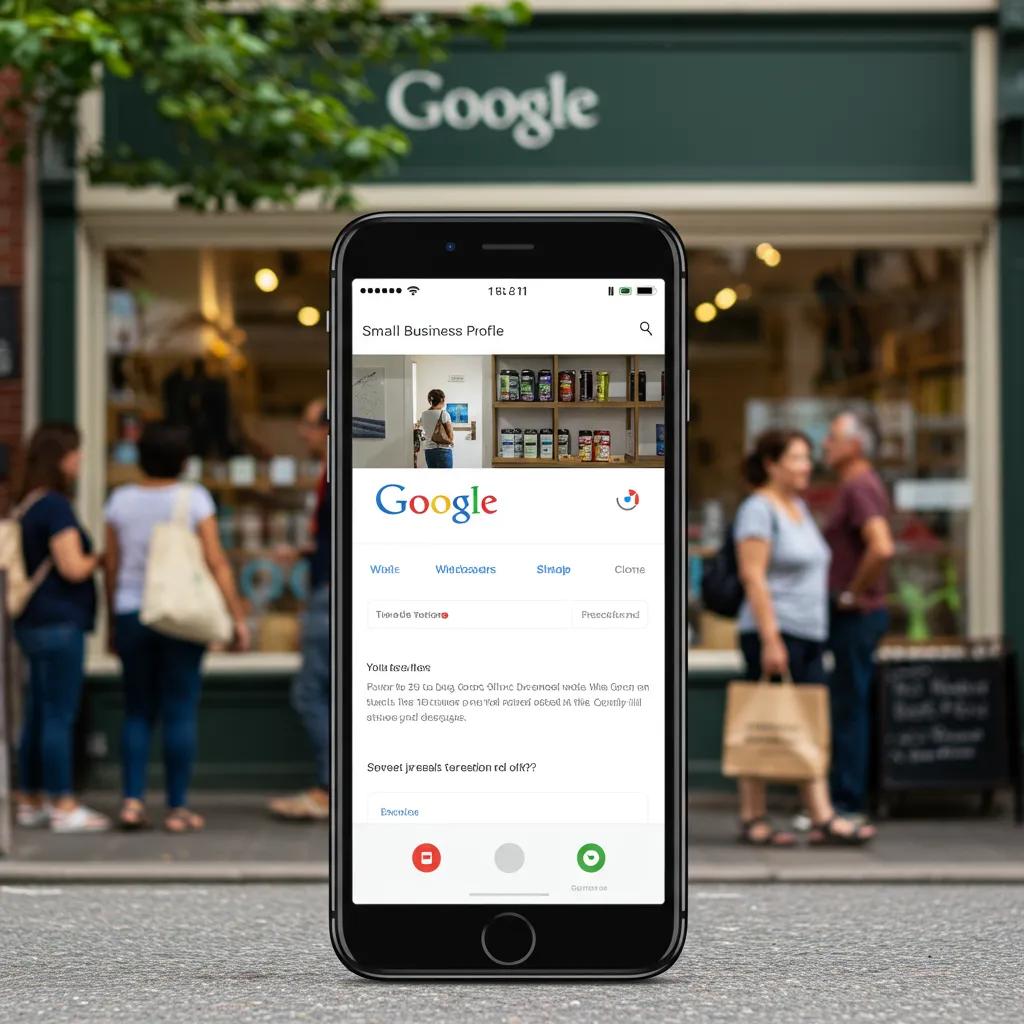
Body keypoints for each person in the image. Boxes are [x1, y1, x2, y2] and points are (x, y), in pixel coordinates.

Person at [104, 422, 250, 832]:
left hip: (133, 611)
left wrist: (111, 619)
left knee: (136, 710)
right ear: (184, 461)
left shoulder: (120, 500)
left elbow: (111, 566)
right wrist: (236, 616)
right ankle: (177, 808)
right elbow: (216, 561)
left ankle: (132, 802)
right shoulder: (195, 498)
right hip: (182, 614)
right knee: (180, 709)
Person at [734, 428, 875, 846]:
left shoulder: (797, 506)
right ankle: (754, 816)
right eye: (796, 458)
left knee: (807, 725)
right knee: (763, 721)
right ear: (771, 465)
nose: (806, 466)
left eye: (807, 457)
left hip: (809, 632)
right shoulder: (758, 509)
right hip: (776, 631)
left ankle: (820, 815)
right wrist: (771, 639)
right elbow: (753, 576)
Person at [11, 423, 110, 833]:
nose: (80, 460)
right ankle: (63, 804)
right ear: (60, 459)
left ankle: (29, 797)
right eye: (75, 453)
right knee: (58, 714)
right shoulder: (55, 508)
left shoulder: (27, 504)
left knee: (37, 713)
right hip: (59, 623)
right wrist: (99, 559)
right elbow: (71, 566)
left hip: (31, 624)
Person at [822, 410, 895, 817]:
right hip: (855, 615)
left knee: (850, 707)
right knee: (849, 703)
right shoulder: (856, 484)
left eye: (832, 437)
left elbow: (881, 546)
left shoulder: (859, 486)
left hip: (856, 616)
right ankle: (847, 796)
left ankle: (848, 801)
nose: (824, 445)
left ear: (855, 444)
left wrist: (852, 593)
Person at [268, 399, 331, 820]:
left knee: (310, 691)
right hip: (328, 588)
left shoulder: (339, 475)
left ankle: (329, 788)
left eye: (308, 425)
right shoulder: (332, 474)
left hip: (330, 594)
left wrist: (312, 556)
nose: (302, 433)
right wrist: (307, 552)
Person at [419, 389, 454, 468]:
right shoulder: (444, 413)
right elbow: (451, 437)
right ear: (442, 399)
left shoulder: (423, 414)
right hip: (443, 451)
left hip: (429, 451)